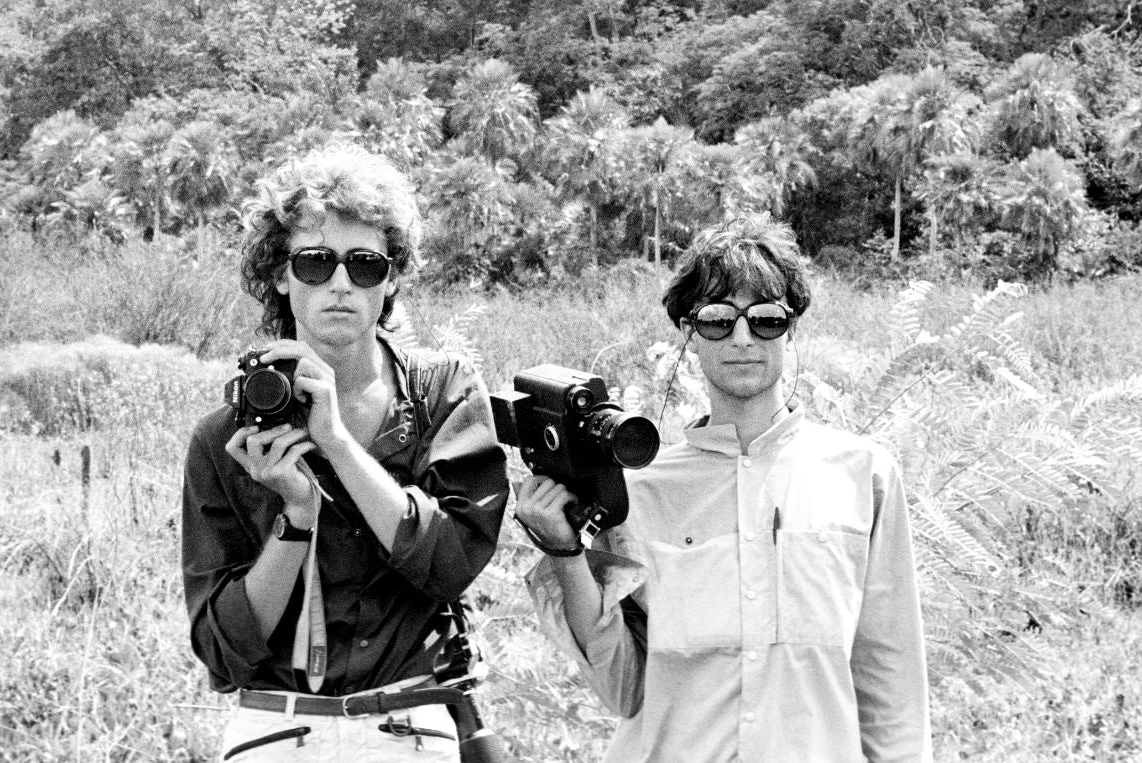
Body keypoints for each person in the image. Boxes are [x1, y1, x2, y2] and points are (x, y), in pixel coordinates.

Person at [515, 213, 932, 762]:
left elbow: (890, 676)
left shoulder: (861, 476)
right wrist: (565, 553)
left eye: (765, 319)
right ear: (689, 330)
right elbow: (623, 690)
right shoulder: (639, 493)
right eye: (716, 319)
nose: (741, 338)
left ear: (791, 326)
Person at [181, 142, 509, 762]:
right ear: (279, 275)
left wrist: (337, 445)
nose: (339, 284)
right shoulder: (226, 439)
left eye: (363, 265)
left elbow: (452, 564)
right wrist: (297, 516)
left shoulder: (443, 392)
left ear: (391, 280)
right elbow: (224, 650)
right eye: (313, 263)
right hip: (277, 728)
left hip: (408, 724)